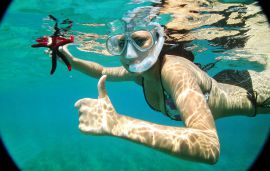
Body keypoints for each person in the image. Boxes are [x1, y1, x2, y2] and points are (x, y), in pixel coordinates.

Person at [44, 20, 270, 164]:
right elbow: (103, 70)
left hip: (260, 93)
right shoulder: (141, 73)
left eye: (140, 41)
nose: (130, 52)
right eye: (120, 43)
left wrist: (118, 124)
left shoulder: (174, 71)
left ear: (158, 40)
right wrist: (71, 59)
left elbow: (208, 144)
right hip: (227, 82)